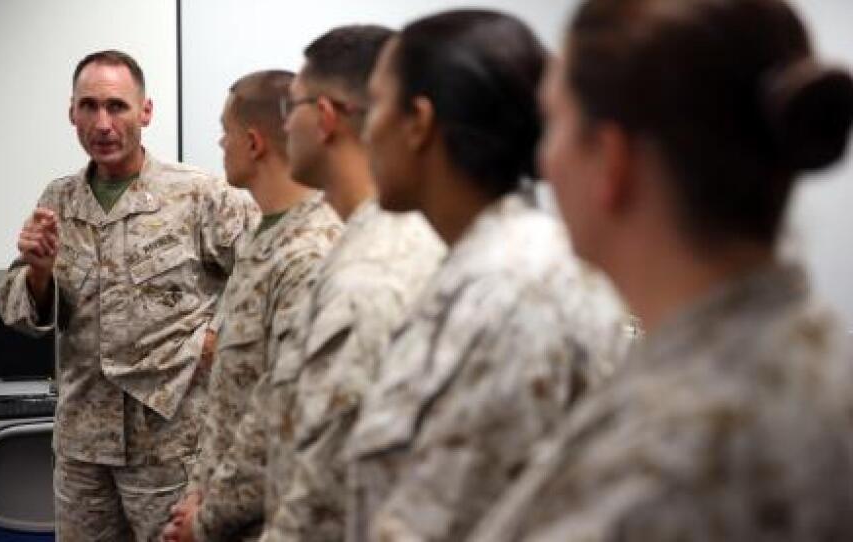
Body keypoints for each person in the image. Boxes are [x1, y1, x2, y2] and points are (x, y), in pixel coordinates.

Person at [468, 0, 853, 540]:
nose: (542, 162)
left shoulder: (662, 465)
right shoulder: (811, 354)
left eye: (553, 123)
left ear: (611, 161)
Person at [344, 10, 631, 541]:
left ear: (419, 122)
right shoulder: (485, 269)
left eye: (378, 102)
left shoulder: (514, 292)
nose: (366, 129)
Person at [164, 26, 445, 542]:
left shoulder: (357, 268)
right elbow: (270, 399)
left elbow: (321, 467)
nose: (282, 123)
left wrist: (206, 520)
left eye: (293, 106)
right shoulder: (340, 249)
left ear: (326, 118)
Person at [0, 50, 258, 540]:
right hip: (82, 448)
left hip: (172, 446)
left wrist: (218, 338)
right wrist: (38, 274)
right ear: (71, 112)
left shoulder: (198, 195)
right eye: (89, 107)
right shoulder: (59, 200)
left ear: (146, 111)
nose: (103, 123)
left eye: (116, 106)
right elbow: (21, 313)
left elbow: (269, 272)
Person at [160, 70, 343, 542]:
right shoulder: (262, 240)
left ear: (254, 142)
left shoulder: (309, 253)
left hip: (270, 518)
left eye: (225, 131)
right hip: (224, 509)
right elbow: (229, 397)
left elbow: (280, 418)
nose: (220, 143)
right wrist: (197, 494)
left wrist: (206, 517)